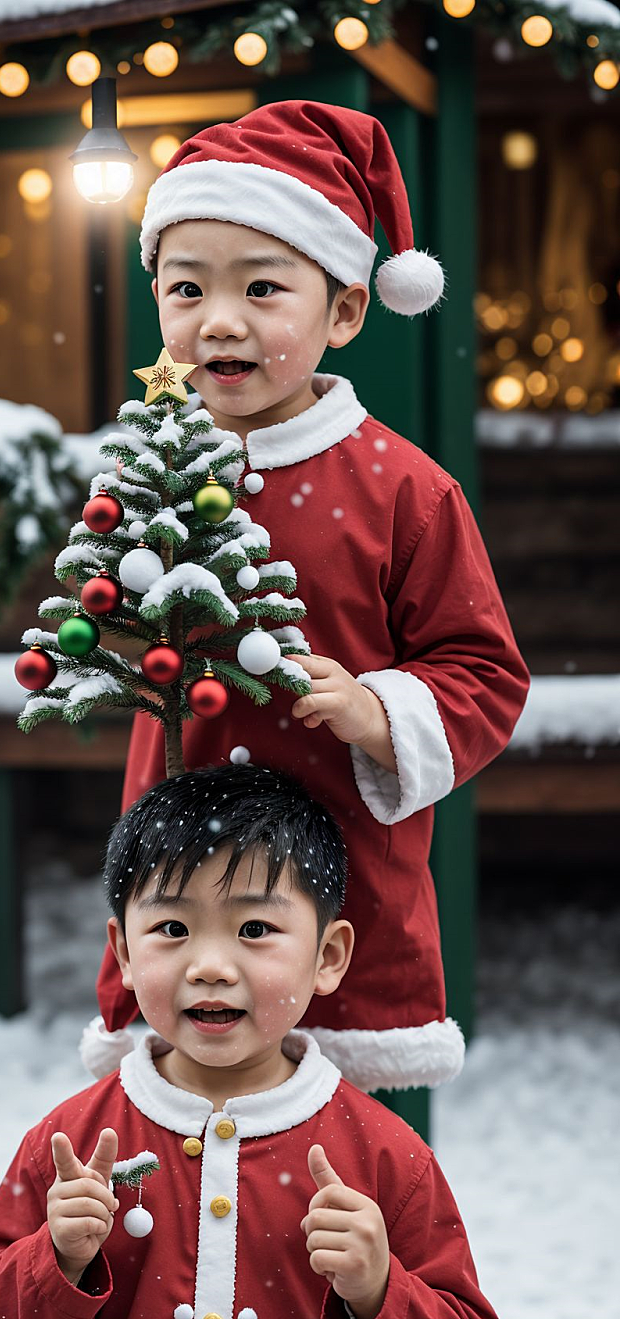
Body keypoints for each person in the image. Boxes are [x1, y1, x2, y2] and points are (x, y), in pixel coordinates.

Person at [86, 100, 531, 1097]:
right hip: (176, 886)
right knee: (177, 1150)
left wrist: (379, 709)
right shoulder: (149, 472)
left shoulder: (401, 490)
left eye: (261, 288)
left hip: (345, 897)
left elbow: (484, 674)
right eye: (187, 289)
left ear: (341, 312)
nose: (220, 320)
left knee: (340, 1185)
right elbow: (101, 623)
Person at [0, 764, 500, 1319]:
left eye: (255, 929)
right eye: (172, 929)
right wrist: (57, 1260)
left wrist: (377, 1290)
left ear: (328, 956)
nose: (211, 966)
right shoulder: (73, 1140)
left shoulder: (383, 1153)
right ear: (122, 950)